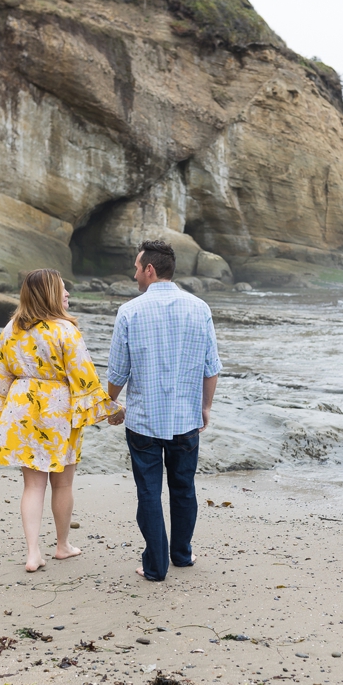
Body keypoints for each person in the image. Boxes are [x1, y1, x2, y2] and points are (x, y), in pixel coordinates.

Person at [0, 268, 124, 573]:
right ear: (49, 294)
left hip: (20, 406)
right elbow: (84, 377)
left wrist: (0, 415)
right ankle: (62, 546)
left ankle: (33, 552)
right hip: (57, 409)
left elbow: (2, 376)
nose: (67, 294)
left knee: (32, 486)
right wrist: (111, 409)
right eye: (62, 289)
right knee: (62, 484)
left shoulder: (10, 329)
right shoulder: (64, 330)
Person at [107, 239, 222, 583]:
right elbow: (211, 366)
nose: (134, 273)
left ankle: (155, 566)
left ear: (150, 270)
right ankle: (182, 555)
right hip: (186, 416)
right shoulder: (199, 308)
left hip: (143, 419)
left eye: (136, 267)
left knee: (149, 491)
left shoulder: (130, 311)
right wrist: (205, 407)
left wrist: (110, 404)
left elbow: (117, 373)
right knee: (184, 488)